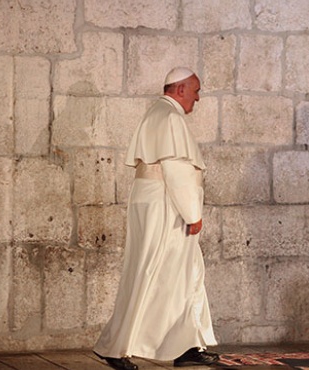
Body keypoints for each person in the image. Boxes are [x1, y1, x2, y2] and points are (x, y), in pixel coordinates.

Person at [93, 67, 220, 370]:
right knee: (150, 274)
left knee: (184, 274)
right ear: (180, 90)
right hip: (167, 204)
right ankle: (115, 346)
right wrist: (193, 214)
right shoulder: (171, 117)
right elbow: (177, 172)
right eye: (196, 90)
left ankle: (185, 344)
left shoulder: (157, 113)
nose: (198, 98)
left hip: (153, 200)